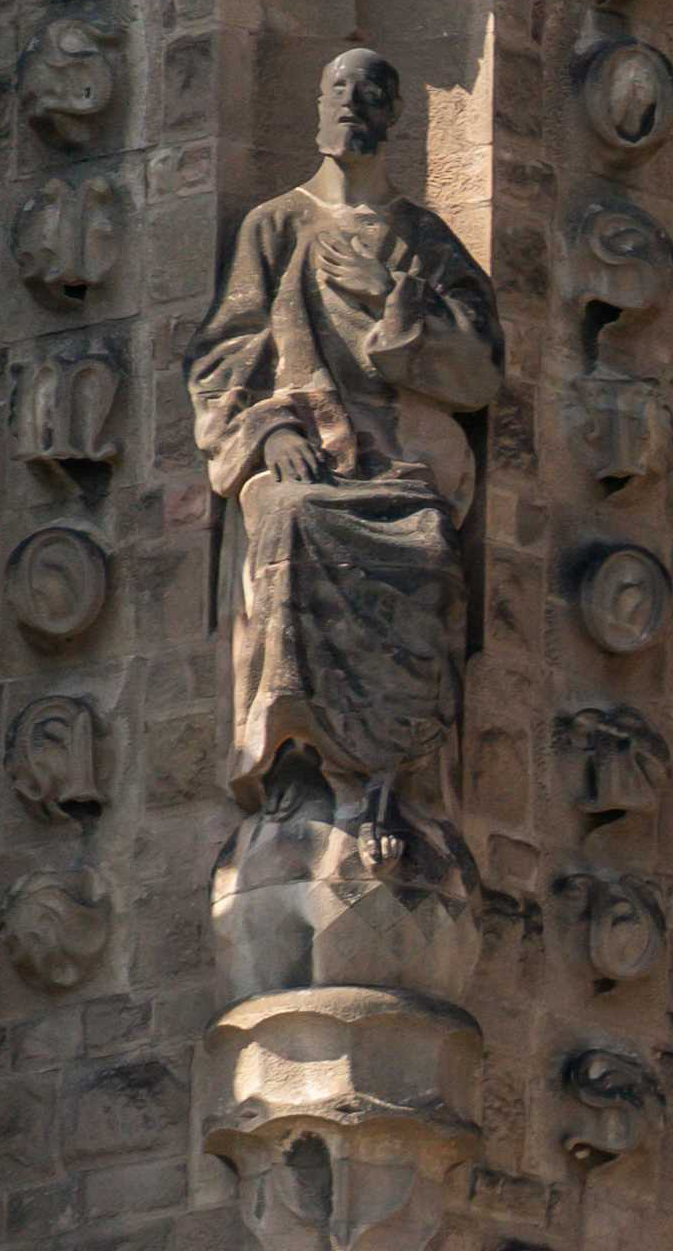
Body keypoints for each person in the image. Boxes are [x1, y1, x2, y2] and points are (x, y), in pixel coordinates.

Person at [189, 47, 505, 817]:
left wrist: (394, 299)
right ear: (317, 103)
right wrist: (267, 432)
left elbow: (479, 371)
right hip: (304, 454)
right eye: (337, 87)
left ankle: (403, 771)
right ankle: (292, 757)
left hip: (400, 459)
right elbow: (226, 357)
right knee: (293, 519)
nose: (350, 102)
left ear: (393, 114)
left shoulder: (426, 242)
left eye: (368, 91)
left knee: (430, 545)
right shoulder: (277, 225)